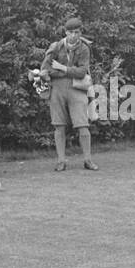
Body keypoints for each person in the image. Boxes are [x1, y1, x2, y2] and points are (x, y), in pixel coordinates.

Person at [37, 16, 97, 171]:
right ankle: (61, 161)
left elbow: (82, 72)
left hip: (77, 89)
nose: (73, 35)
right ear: (65, 32)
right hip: (57, 89)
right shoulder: (56, 46)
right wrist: (66, 72)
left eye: (77, 32)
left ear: (80, 32)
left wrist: (62, 68)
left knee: (83, 125)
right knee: (59, 126)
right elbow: (45, 69)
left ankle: (88, 160)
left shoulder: (84, 48)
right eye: (70, 32)